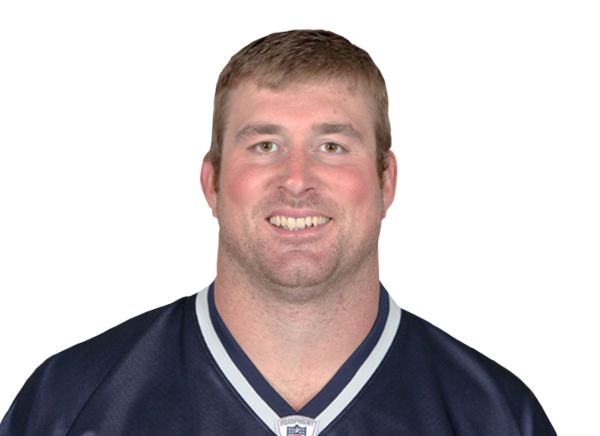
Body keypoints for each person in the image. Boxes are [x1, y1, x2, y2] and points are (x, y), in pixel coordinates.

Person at [0, 28, 556, 436]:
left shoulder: (500, 416)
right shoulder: (68, 402)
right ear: (211, 182)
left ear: (386, 181)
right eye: (264, 145)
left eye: (332, 146)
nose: (296, 179)